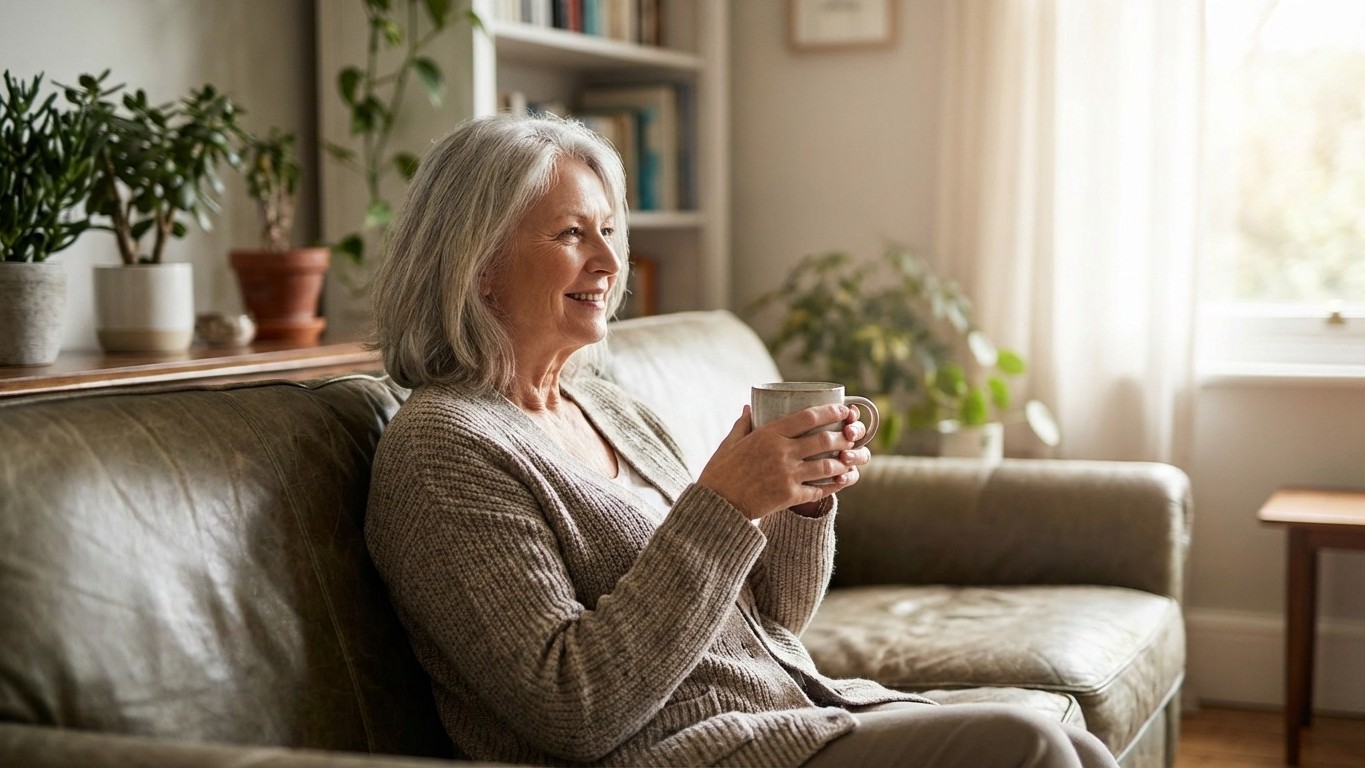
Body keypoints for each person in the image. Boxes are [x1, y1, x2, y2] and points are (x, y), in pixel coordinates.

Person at [365, 113, 1118, 768]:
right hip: (681, 755)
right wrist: (723, 504)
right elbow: (575, 706)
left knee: (1075, 745)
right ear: (478, 264)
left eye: (607, 230)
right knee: (1031, 748)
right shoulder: (444, 450)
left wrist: (798, 500)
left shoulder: (605, 406)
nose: (607, 261)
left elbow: (772, 621)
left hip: (777, 716)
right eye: (569, 234)